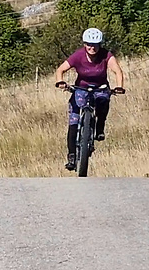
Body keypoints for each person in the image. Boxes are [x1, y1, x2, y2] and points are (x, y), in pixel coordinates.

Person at [53, 27, 126, 171]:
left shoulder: (106, 56)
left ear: (100, 44)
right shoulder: (78, 56)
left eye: (95, 44)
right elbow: (60, 69)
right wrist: (60, 81)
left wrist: (119, 86)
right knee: (73, 120)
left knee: (103, 100)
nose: (92, 47)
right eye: (89, 44)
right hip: (81, 89)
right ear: (84, 44)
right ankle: (72, 156)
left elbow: (117, 71)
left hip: (100, 88)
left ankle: (100, 127)